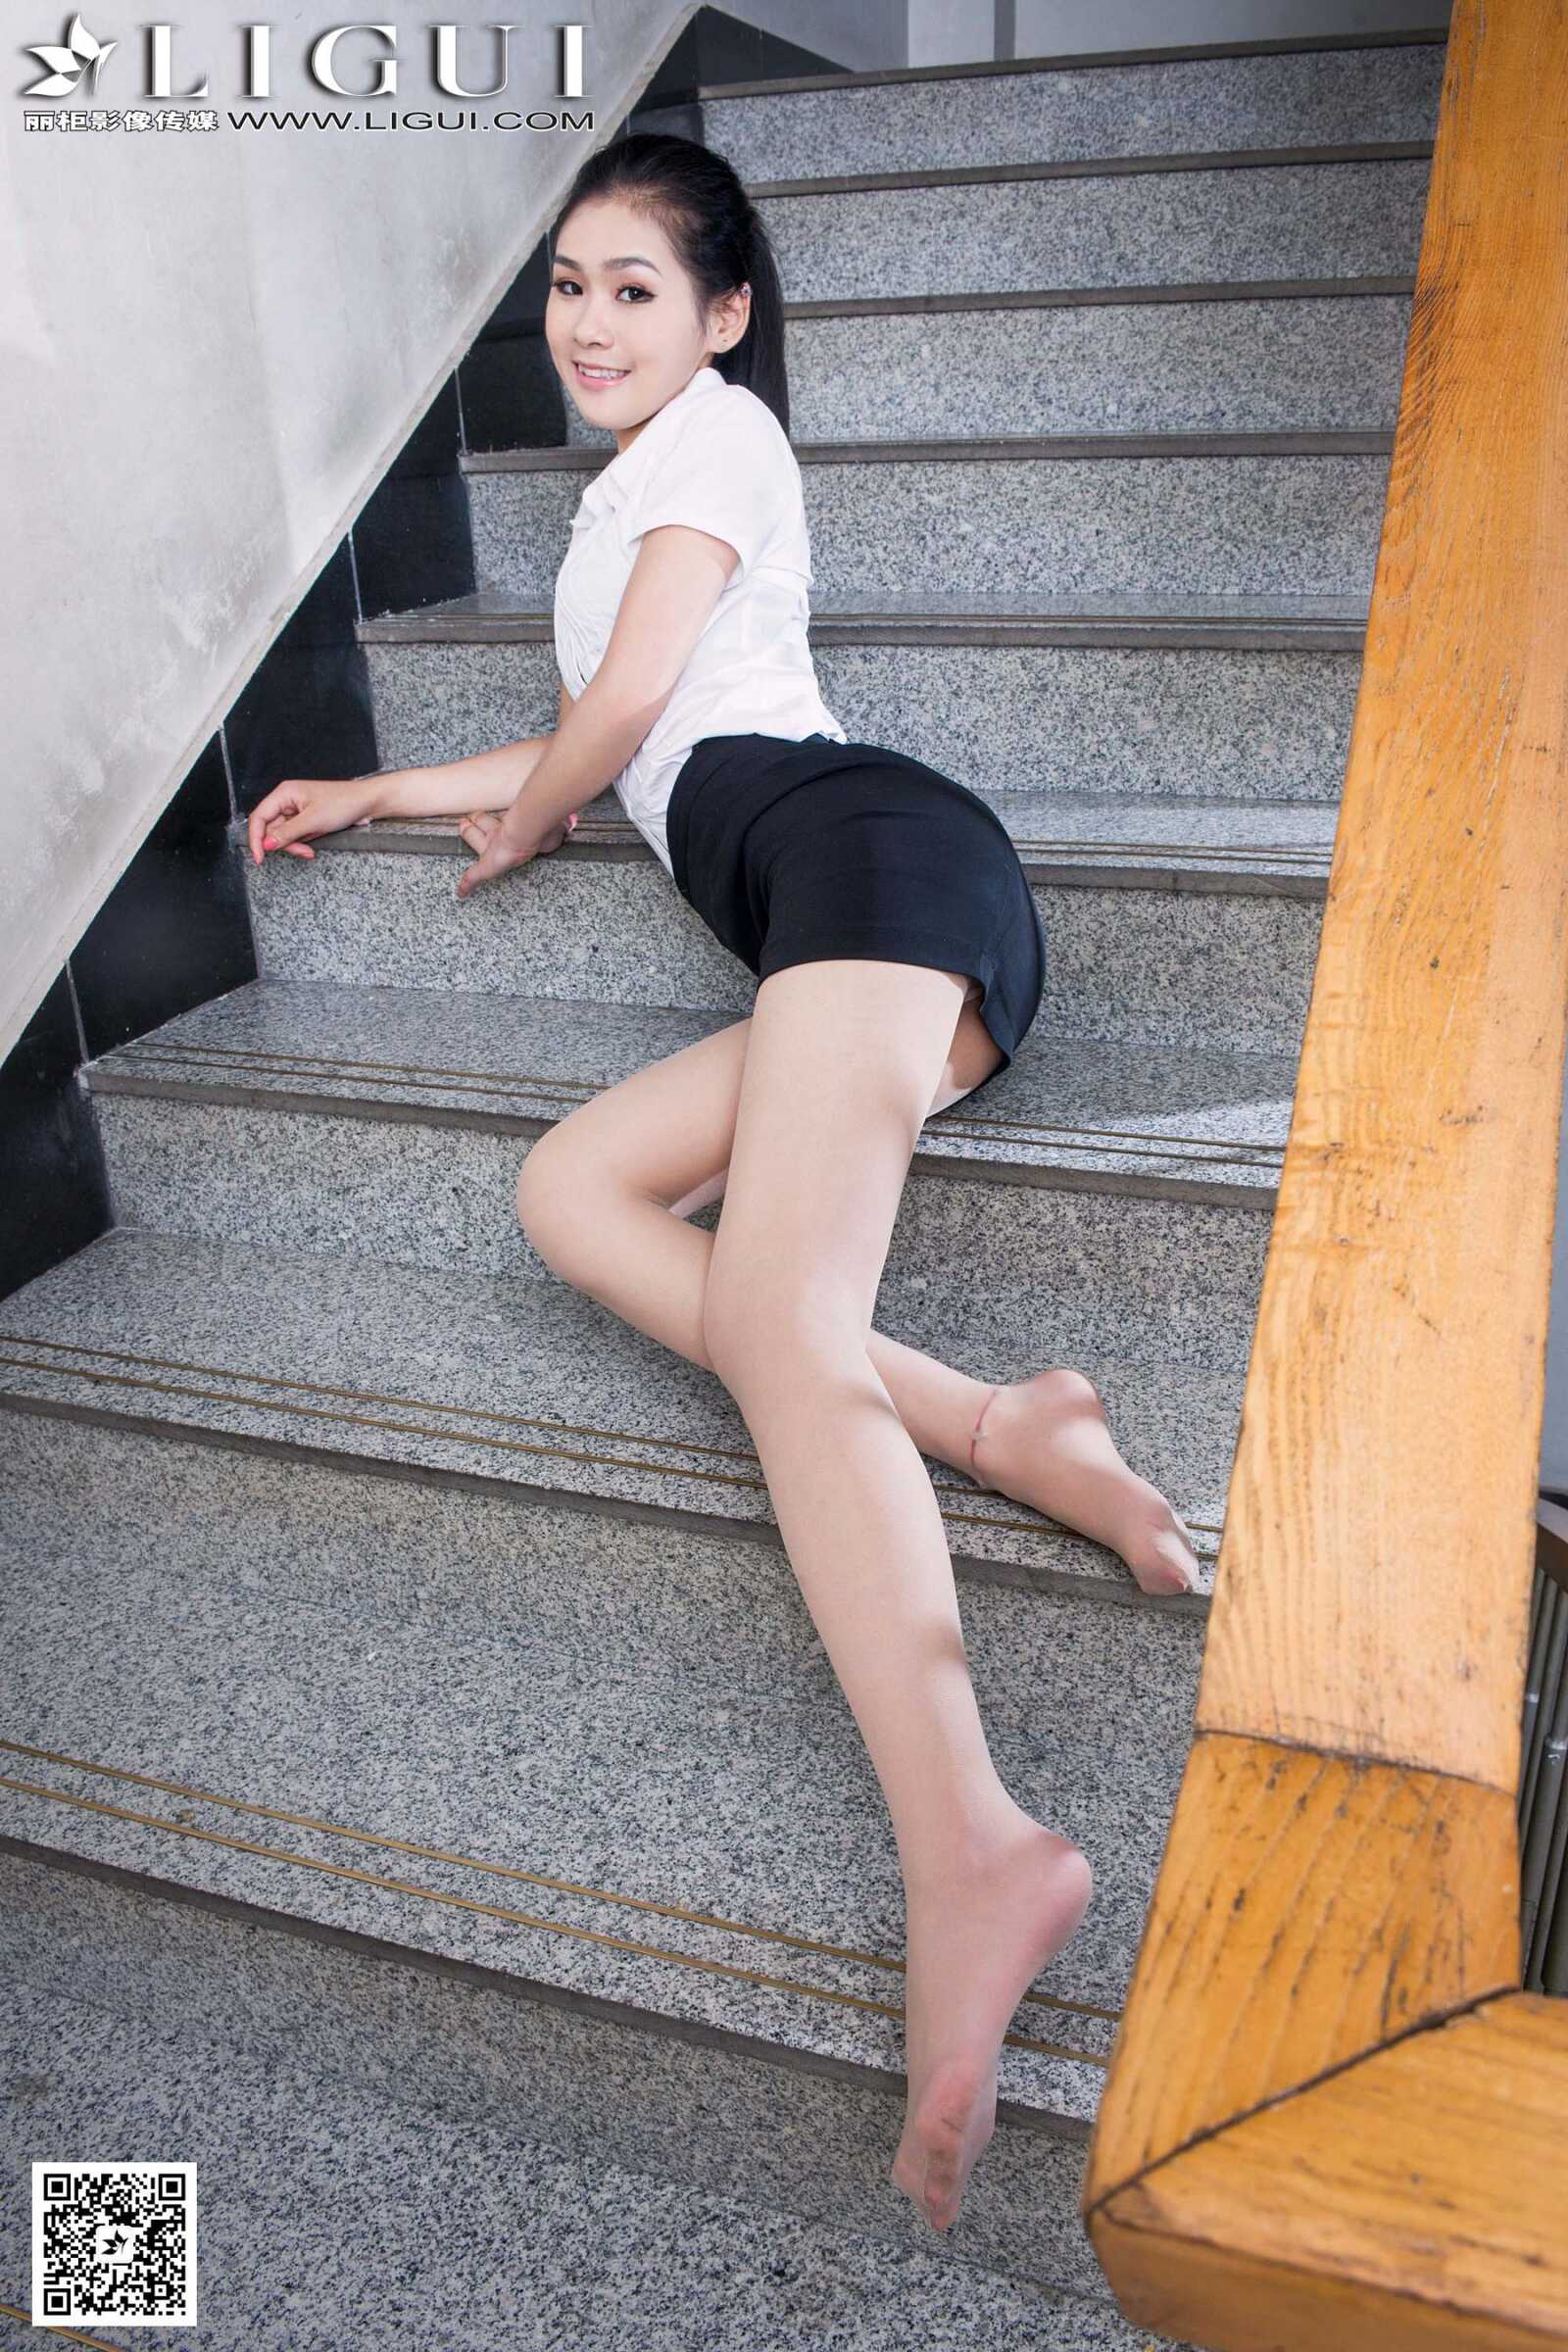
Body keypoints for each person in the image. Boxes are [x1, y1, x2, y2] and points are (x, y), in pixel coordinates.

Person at [248, 130, 1201, 2236]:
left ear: (725, 316)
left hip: (873, 863)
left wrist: (524, 821)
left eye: (634, 289)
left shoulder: (723, 443)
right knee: (571, 1192)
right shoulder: (623, 508)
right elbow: (599, 725)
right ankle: (999, 1425)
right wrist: (378, 788)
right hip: (824, 928)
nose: (588, 323)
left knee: (774, 1318)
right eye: (566, 287)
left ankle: (971, 1842)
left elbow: (616, 720)